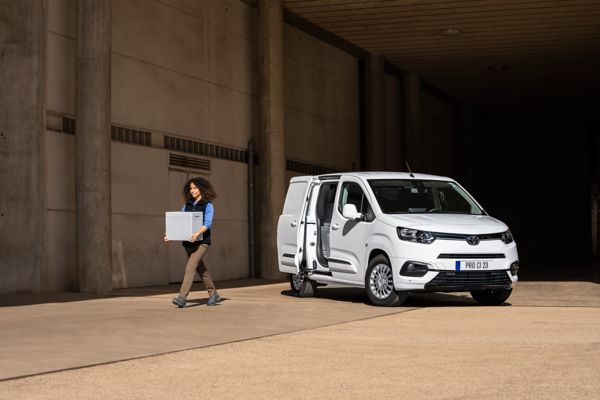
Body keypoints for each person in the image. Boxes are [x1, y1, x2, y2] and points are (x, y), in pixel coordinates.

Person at [165, 177, 221, 307]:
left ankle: (182, 298)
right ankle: (214, 294)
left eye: (195, 188)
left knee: (190, 269)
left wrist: (197, 234)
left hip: (202, 242)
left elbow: (207, 223)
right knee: (202, 270)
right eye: (191, 188)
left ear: (201, 188)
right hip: (188, 243)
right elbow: (179, 221)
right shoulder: (187, 205)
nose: (192, 190)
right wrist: (170, 235)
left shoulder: (208, 205)